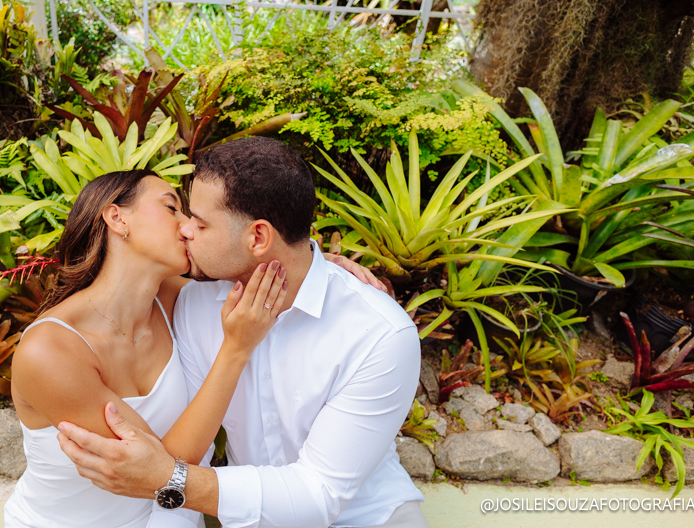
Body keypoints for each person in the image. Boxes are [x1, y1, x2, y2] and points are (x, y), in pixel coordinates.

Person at [56, 137, 429, 528]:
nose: (185, 230)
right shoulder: (194, 304)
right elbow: (187, 457)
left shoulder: (379, 334)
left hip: (366, 517)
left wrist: (167, 479)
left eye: (199, 223)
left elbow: (317, 496)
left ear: (258, 238)